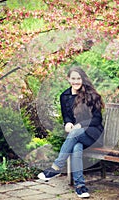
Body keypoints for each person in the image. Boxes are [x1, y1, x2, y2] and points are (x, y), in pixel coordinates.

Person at [38, 66, 105, 198]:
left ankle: (56, 167)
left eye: (78, 78)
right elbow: (66, 116)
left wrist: (80, 124)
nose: (76, 81)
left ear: (83, 79)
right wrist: (67, 123)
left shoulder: (91, 95)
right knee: (76, 148)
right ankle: (80, 187)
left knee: (75, 133)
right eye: (73, 78)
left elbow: (97, 119)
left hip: (93, 135)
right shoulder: (64, 96)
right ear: (68, 79)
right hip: (77, 137)